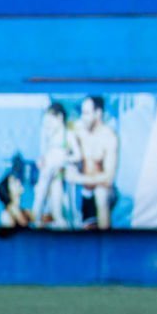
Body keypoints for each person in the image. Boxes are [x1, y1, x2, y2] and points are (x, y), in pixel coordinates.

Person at [68, 95, 119, 230]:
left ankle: (105, 239)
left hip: (103, 191)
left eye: (86, 113)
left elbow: (108, 178)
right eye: (82, 113)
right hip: (83, 191)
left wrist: (79, 178)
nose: (83, 117)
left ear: (98, 113)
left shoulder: (109, 137)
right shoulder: (78, 130)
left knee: (101, 193)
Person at [33, 102, 72, 229]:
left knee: (57, 212)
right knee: (40, 195)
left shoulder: (68, 135)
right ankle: (37, 221)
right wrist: (41, 159)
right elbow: (45, 155)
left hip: (57, 175)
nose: (48, 125)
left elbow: (77, 156)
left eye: (50, 121)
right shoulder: (50, 136)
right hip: (47, 172)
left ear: (60, 118)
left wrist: (65, 160)